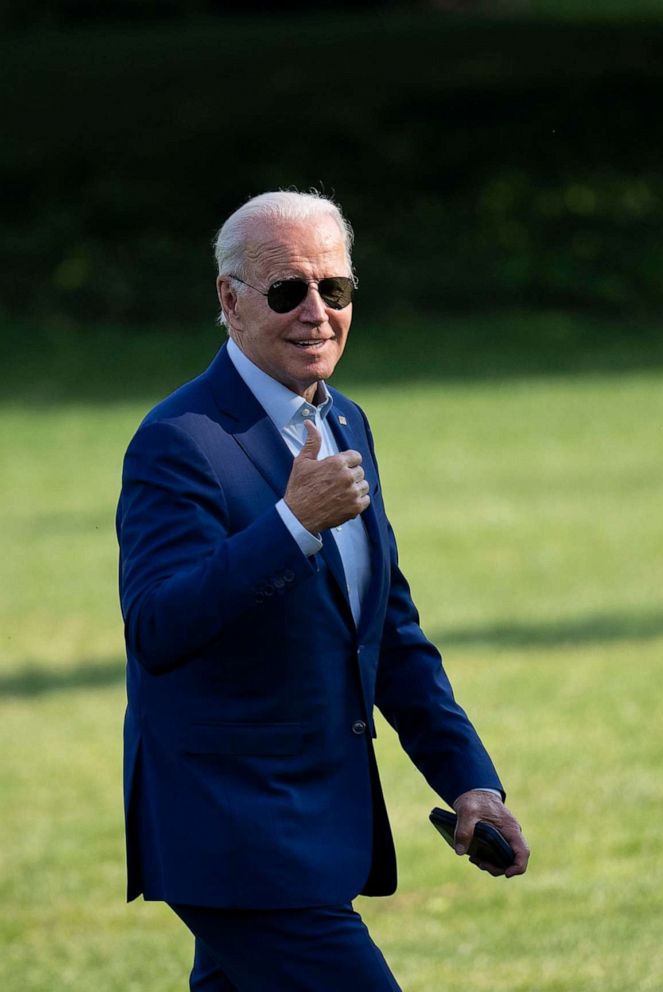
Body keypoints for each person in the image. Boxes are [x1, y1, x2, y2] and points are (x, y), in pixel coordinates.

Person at [116, 189, 529, 991]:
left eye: (333, 289)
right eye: (287, 290)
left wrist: (469, 782)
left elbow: (386, 636)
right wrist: (291, 524)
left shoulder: (345, 422)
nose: (316, 312)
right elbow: (159, 624)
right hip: (234, 834)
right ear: (228, 301)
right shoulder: (179, 442)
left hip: (315, 825)